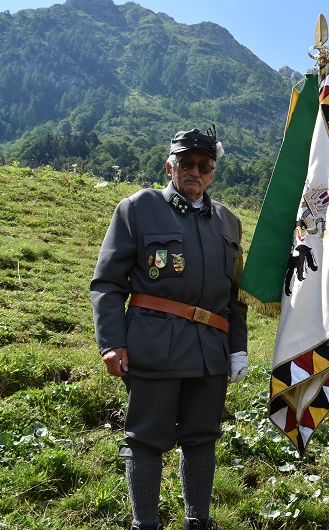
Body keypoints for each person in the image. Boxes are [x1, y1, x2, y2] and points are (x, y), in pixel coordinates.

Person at [90, 127, 249, 530]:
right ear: (169, 166)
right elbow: (108, 284)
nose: (194, 171)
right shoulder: (138, 208)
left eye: (204, 165)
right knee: (145, 440)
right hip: (153, 345)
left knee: (202, 439)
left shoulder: (228, 222)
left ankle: (198, 522)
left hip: (210, 351)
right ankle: (145, 524)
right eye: (186, 163)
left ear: (213, 173)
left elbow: (235, 297)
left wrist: (237, 348)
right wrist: (111, 343)